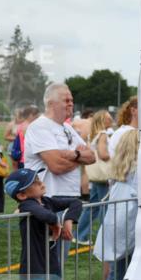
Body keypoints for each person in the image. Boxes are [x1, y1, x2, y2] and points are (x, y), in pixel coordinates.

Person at [24, 84, 95, 243]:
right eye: (66, 100)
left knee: (59, 261)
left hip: (68, 203)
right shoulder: (40, 127)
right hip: (46, 201)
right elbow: (56, 166)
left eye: (72, 100)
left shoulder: (68, 128)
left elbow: (91, 157)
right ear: (50, 103)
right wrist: (78, 156)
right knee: (46, 260)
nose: (71, 103)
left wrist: (72, 154)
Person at [4, 168, 80, 280]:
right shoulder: (26, 205)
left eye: (39, 179)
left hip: (51, 264)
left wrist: (68, 221)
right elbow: (45, 215)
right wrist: (56, 222)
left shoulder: (46, 201)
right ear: (22, 195)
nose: (41, 183)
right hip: (34, 268)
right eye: (34, 183)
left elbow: (76, 202)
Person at [93, 128, 138, 280]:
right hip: (129, 224)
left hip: (116, 223)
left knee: (116, 270)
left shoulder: (120, 168)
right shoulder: (137, 171)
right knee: (122, 272)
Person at [76, 110, 114, 244]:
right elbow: (103, 155)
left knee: (93, 206)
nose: (111, 120)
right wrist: (116, 155)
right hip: (103, 176)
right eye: (109, 118)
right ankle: (106, 238)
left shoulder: (91, 135)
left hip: (95, 175)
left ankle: (81, 235)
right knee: (105, 207)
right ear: (103, 120)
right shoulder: (103, 134)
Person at [10, 105, 40, 170]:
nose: (37, 116)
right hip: (27, 159)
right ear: (30, 115)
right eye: (36, 114)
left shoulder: (22, 125)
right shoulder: (28, 126)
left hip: (23, 157)